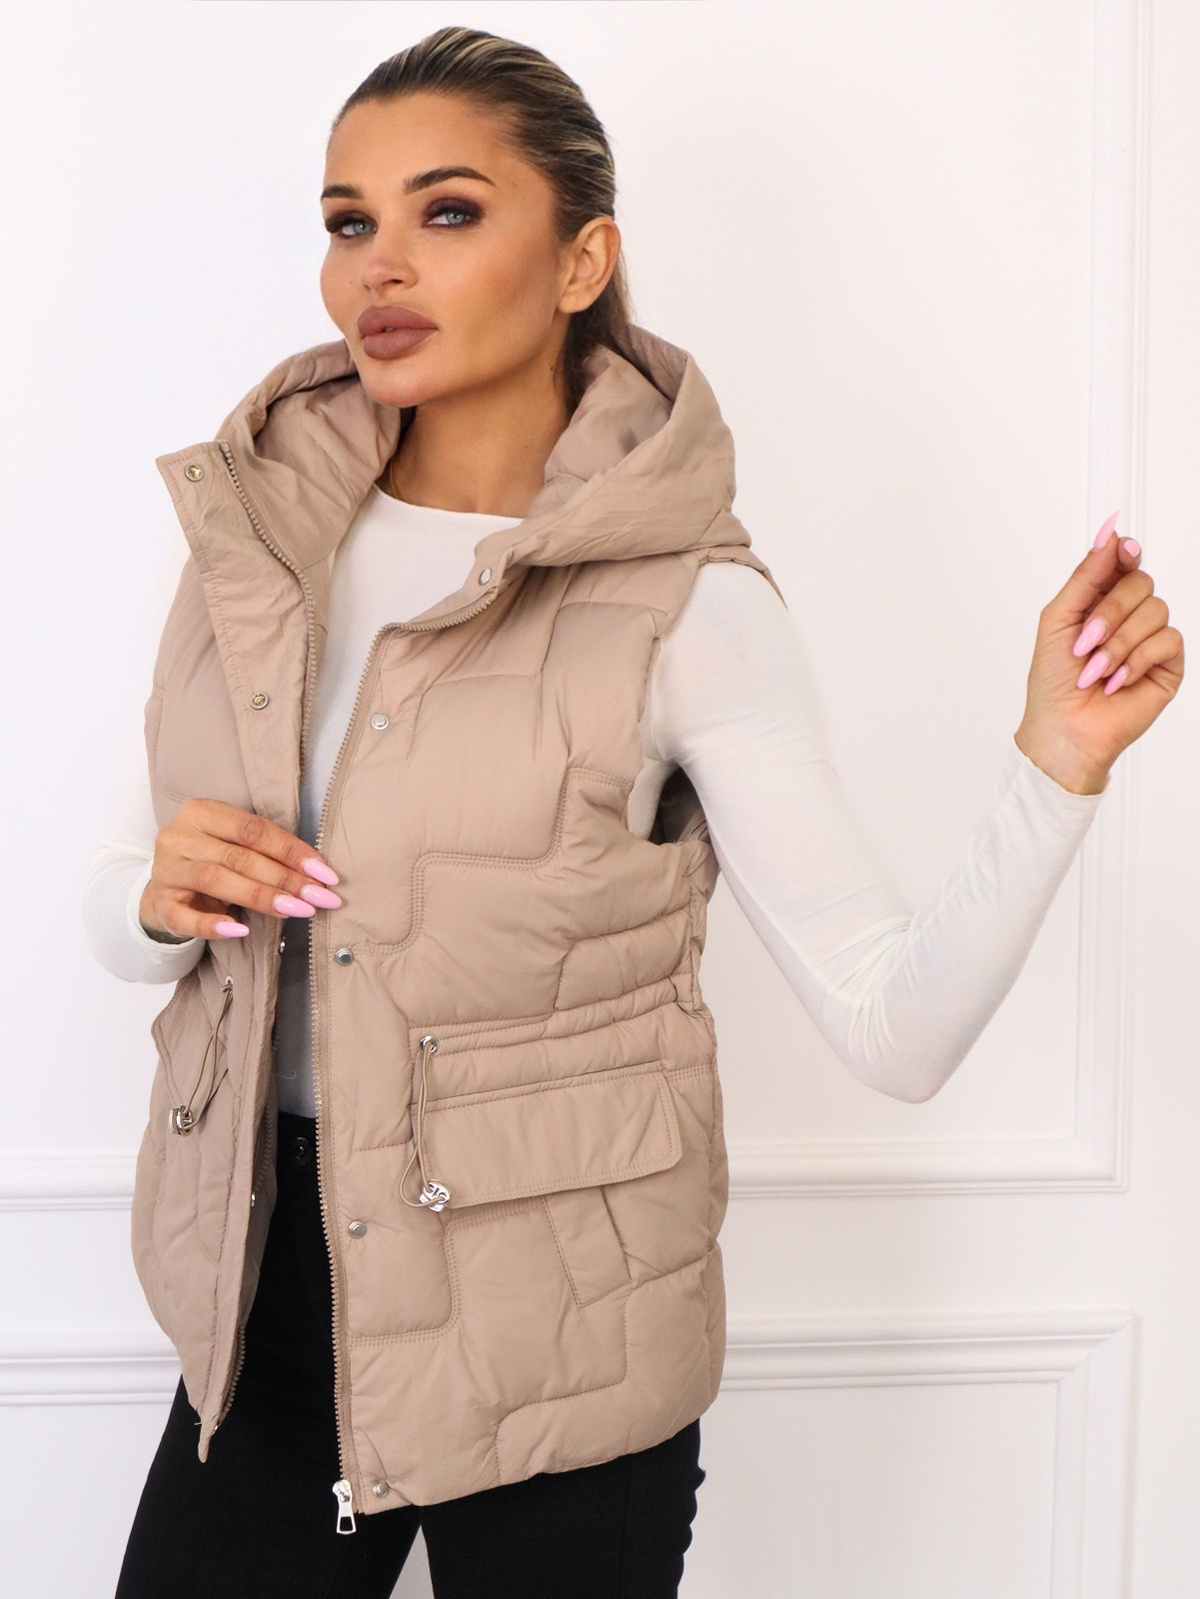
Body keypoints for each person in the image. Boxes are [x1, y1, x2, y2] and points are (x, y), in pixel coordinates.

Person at [83, 25, 1183, 1599]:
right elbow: (130, 883)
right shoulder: (247, 545)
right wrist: (146, 901)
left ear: (583, 259)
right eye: (347, 220)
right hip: (260, 1304)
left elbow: (894, 1031)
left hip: (566, 1351)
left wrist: (1053, 761)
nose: (380, 263)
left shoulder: (690, 607)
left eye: (446, 211)